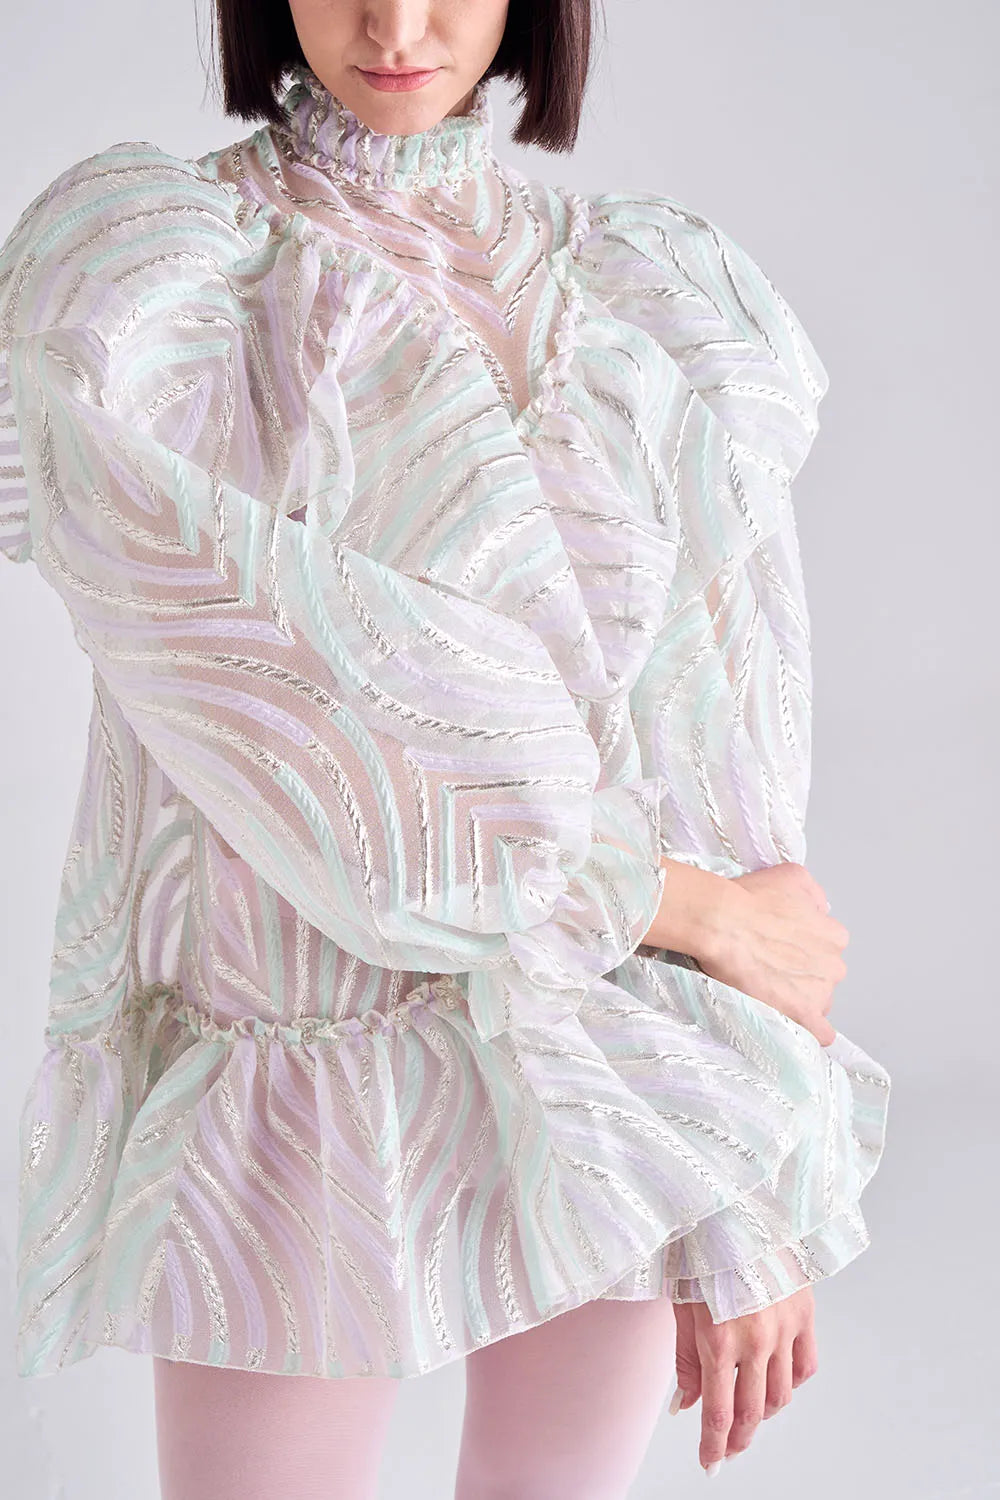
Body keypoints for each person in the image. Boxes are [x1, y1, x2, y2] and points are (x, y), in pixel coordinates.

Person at [0, 1, 891, 1495]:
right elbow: (303, 722)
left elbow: (726, 771)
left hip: (607, 1077)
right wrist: (671, 902)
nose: (397, 24)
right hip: (295, 1064)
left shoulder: (653, 295)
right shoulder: (154, 284)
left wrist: (746, 1191)